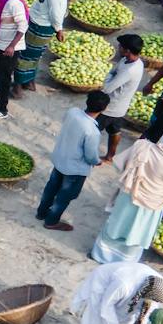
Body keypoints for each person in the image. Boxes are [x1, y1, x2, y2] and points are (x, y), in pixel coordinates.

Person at [91, 136, 163, 264]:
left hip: (129, 197)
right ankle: (125, 262)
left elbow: (119, 164)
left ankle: (100, 255)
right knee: (137, 232)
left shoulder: (142, 146)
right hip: (153, 206)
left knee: (116, 225)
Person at [40, 92, 107, 232]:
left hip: (60, 158)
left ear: (87, 101)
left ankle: (41, 213)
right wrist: (97, 161)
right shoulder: (93, 131)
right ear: (104, 109)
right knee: (64, 196)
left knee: (51, 188)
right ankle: (51, 221)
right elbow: (90, 156)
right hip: (74, 168)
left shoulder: (73, 112)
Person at [99, 34, 146, 162]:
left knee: (93, 131)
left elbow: (107, 88)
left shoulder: (130, 70)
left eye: (121, 46)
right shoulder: (130, 61)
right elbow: (114, 72)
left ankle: (91, 156)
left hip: (111, 107)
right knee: (114, 131)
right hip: (120, 107)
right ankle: (110, 156)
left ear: (128, 50)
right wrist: (111, 76)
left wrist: (107, 77)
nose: (118, 47)